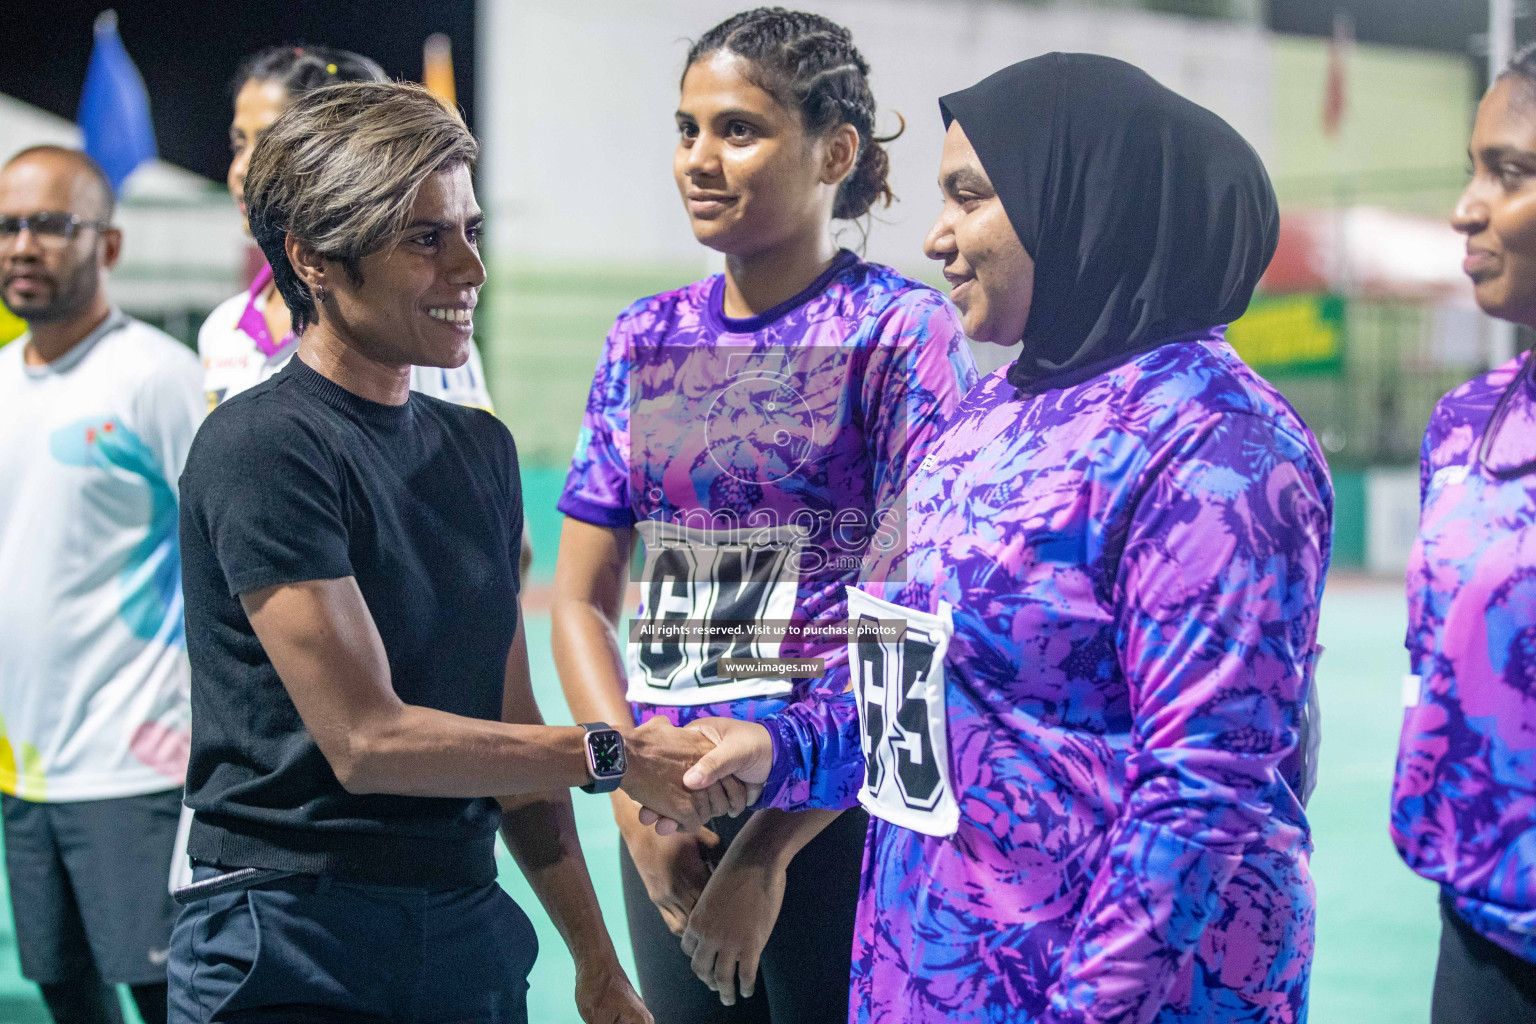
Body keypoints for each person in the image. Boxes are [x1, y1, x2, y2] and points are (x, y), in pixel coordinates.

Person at [669, 53, 1332, 1023]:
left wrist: (1088, 1008)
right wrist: (775, 746)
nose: (935, 236)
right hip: (930, 972)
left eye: (970, 197)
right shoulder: (987, 419)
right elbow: (908, 692)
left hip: (1115, 994)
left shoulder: (1218, 444)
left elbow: (1204, 790)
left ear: (1085, 204)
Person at [170, 81, 737, 1024]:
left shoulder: (481, 450)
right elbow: (368, 742)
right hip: (289, 934)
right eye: (425, 238)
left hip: (464, 929)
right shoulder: (264, 446)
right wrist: (612, 752)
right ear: (313, 259)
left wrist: (596, 966)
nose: (470, 268)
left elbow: (509, 736)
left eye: (470, 229)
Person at [553, 8, 977, 1021]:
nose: (699, 158)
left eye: (738, 129)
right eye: (687, 128)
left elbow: (918, 625)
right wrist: (630, 798)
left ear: (834, 152)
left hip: (839, 824)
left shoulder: (900, 333)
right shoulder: (643, 337)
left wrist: (771, 846)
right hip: (671, 823)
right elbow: (580, 598)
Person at [0, 145, 204, 1024]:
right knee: (64, 995)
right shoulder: (2, 384)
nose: (22, 245)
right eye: (8, 225)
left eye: (51, 224)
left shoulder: (157, 377)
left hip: (135, 766)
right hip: (26, 767)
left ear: (109, 246)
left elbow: (227, 552)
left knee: (163, 997)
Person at [1391, 43, 1536, 1023]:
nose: (1466, 206)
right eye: (1475, 166)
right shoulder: (1464, 426)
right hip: (1479, 931)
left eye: (1509, 173)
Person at [200, 44, 494, 414]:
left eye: (272, 142)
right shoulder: (222, 328)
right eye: (240, 143)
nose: (243, 167)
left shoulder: (412, 325)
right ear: (305, 258)